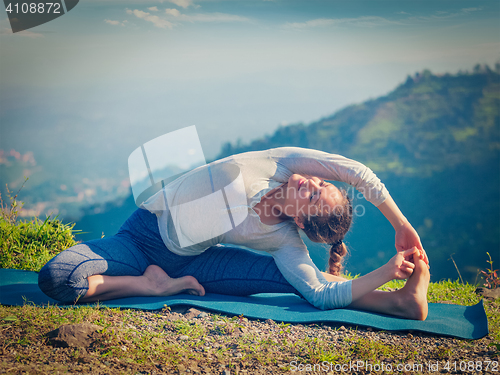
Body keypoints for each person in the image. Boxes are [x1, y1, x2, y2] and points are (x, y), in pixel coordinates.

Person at [39, 147, 430, 320]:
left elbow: (319, 294)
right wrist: (402, 225)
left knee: (293, 281)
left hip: (196, 262)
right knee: (58, 278)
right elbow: (357, 173)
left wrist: (385, 272)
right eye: (318, 184)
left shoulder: (283, 240)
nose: (310, 182)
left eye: (313, 195)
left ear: (300, 223)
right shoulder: (278, 163)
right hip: (141, 239)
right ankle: (151, 286)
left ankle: (398, 304)